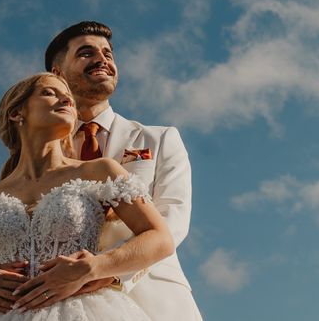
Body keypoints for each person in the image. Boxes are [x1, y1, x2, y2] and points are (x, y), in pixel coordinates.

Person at [0, 73, 174, 320]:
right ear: (16, 113)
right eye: (50, 92)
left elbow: (161, 239)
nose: (67, 100)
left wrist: (94, 267)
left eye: (68, 97)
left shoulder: (100, 171)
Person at [42, 21, 201, 319]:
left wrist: (107, 271)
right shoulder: (43, 154)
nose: (103, 60)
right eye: (86, 53)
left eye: (108, 53)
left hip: (153, 299)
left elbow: (172, 220)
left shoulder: (160, 138)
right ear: (57, 73)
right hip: (61, 304)